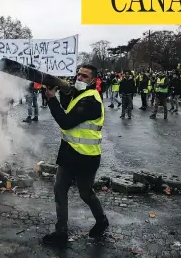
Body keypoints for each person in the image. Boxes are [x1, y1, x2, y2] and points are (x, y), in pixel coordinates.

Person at [42, 64, 108, 247]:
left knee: (85, 194)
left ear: (93, 80)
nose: (79, 78)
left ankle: (102, 220)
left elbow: (66, 121)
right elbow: (67, 105)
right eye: (78, 75)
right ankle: (61, 232)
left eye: (85, 76)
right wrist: (58, 91)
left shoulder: (92, 101)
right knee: (59, 189)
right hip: (69, 153)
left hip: (87, 157)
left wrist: (51, 99)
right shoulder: (80, 95)